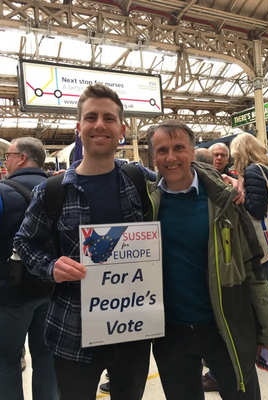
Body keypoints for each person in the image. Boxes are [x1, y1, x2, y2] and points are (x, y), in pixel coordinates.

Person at [14, 84, 155, 400]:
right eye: (91, 117)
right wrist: (51, 266)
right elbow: (24, 242)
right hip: (73, 328)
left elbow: (181, 181)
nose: (100, 124)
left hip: (134, 326)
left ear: (121, 129)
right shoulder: (51, 191)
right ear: (79, 128)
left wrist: (224, 187)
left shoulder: (138, 180)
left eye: (109, 117)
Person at [146, 120, 268, 400]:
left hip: (226, 326)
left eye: (178, 148)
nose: (171, 157)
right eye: (162, 150)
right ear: (153, 157)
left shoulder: (224, 202)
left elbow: (254, 271)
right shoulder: (146, 203)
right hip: (171, 333)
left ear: (193, 149)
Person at [0, 137, 58, 400]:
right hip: (52, 288)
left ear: (22, 158)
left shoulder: (3, 192)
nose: (6, 161)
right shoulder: (59, 189)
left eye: (8, 155)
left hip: (11, 296)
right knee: (46, 357)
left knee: (7, 360)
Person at [230, 132, 268, 369]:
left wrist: (239, 195)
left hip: (261, 242)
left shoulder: (254, 171)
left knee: (265, 296)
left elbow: (256, 209)